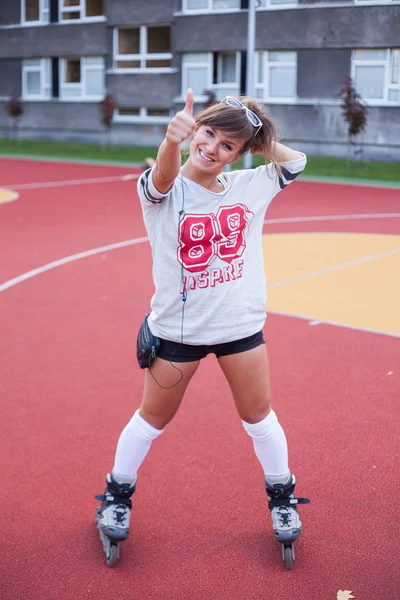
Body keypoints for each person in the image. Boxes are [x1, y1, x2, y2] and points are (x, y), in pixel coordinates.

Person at [96, 89, 309, 561]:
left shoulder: (248, 185)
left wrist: (256, 134)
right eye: (208, 134)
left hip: (240, 328)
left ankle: (283, 499)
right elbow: (164, 177)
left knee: (260, 419)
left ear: (240, 154)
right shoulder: (161, 192)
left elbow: (295, 163)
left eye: (227, 145)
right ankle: (116, 494)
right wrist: (173, 140)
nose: (212, 149)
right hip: (178, 334)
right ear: (196, 130)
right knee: (152, 420)